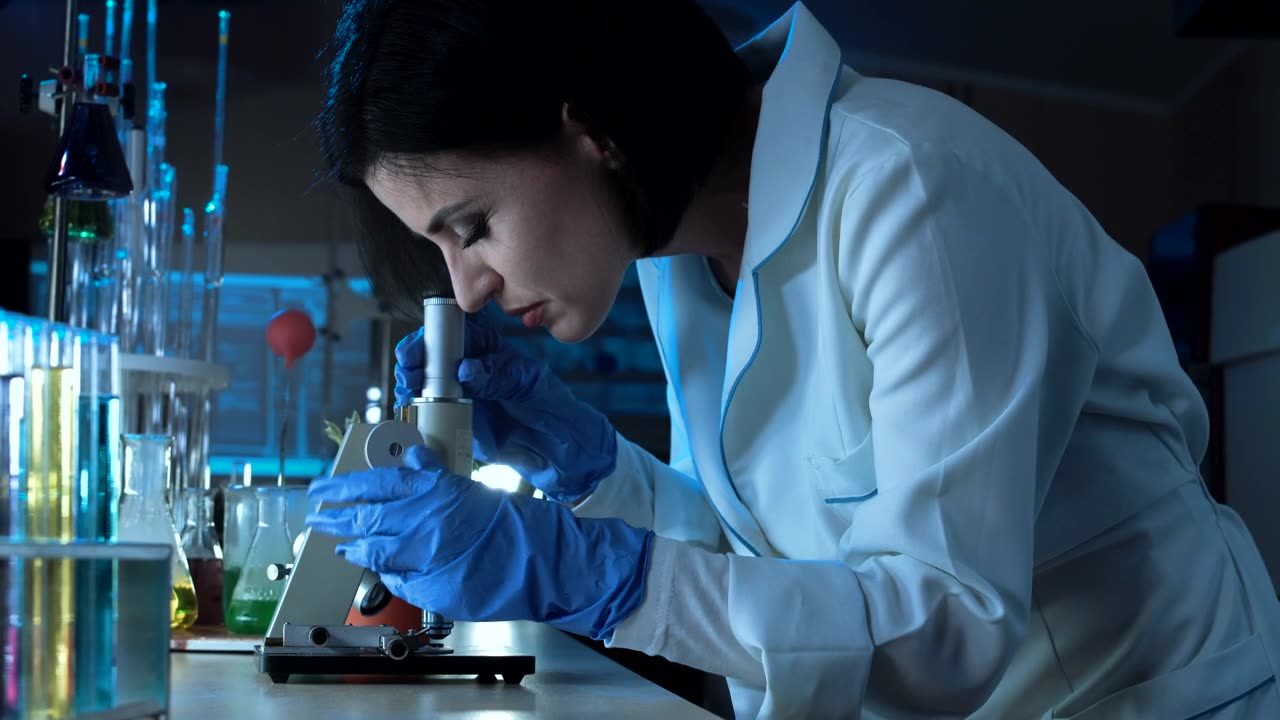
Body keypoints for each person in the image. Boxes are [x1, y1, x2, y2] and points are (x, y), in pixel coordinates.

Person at [306, 1, 1280, 717]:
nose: (465, 287)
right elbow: (766, 556)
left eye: (469, 226)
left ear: (592, 129)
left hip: (1140, 696)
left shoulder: (911, 188)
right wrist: (595, 474)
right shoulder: (675, 249)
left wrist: (586, 571)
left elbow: (948, 626)